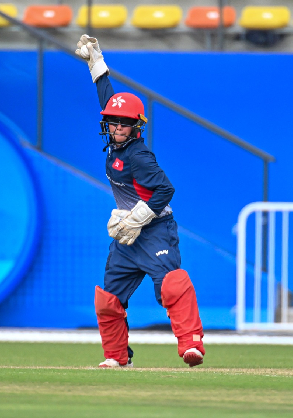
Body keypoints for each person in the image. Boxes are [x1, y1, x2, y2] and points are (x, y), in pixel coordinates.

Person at [75, 34, 205, 369]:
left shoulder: (139, 156)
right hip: (127, 235)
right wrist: (96, 64)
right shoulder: (115, 142)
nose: (118, 127)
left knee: (172, 286)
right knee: (108, 299)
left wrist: (136, 218)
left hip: (155, 229)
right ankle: (118, 357)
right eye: (113, 122)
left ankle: (191, 344)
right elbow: (110, 100)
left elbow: (165, 191)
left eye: (125, 124)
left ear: (136, 128)